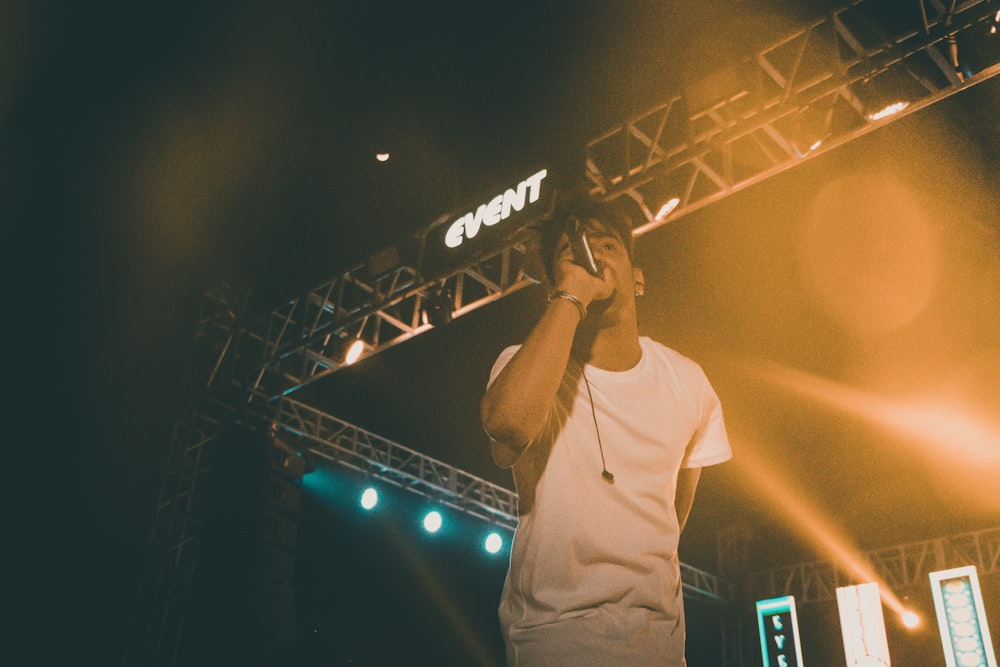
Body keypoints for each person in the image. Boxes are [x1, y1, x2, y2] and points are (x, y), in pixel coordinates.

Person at [480, 196, 732, 666]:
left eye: (607, 245)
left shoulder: (688, 381)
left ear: (638, 278)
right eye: (570, 253)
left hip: (660, 648)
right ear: (554, 284)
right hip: (555, 641)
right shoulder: (524, 365)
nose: (590, 255)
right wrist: (573, 295)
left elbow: (673, 514)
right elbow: (508, 424)